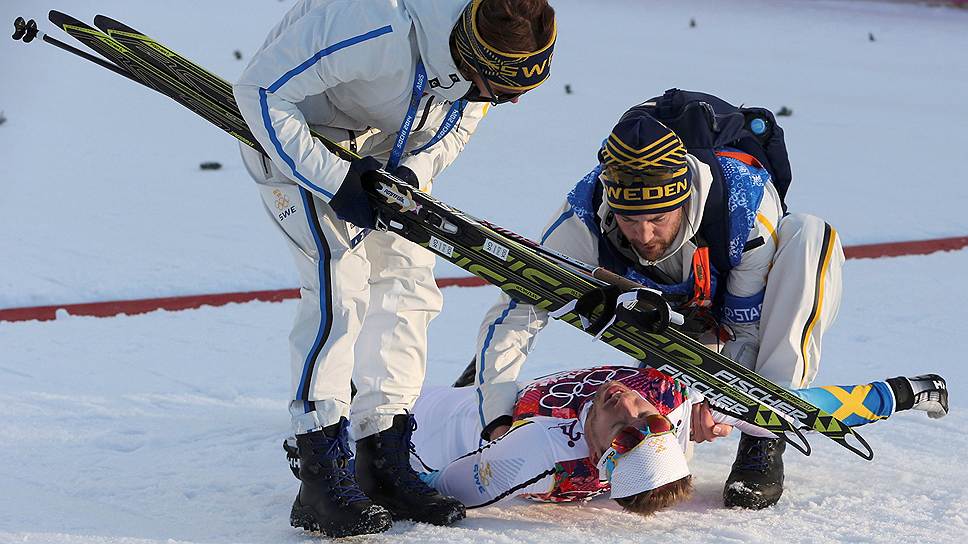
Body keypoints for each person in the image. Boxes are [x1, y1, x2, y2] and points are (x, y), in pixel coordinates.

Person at [232, 0, 556, 537]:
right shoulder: (373, 25)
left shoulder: (481, 65)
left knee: (409, 286)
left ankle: (382, 457)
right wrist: (336, 178)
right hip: (296, 143)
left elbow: (459, 118)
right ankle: (320, 473)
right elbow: (260, 92)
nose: (510, 102)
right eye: (498, 88)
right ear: (467, 53)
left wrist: (409, 171)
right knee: (339, 290)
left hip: (381, 156)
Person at [470, 101, 845, 510]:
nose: (644, 234)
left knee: (811, 235)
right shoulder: (582, 217)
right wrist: (497, 413)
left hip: (725, 295)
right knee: (664, 462)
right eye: (630, 219)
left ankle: (763, 436)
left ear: (684, 199)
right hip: (653, 309)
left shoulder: (747, 205)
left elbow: (745, 329)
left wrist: (719, 400)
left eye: (657, 218)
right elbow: (518, 311)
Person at [414, 365, 948, 514]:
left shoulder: (538, 455)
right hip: (469, 394)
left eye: (627, 431)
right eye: (651, 421)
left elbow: (435, 487)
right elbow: (804, 409)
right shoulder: (666, 400)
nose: (628, 403)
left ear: (599, 460)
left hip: (424, 424)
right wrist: (907, 392)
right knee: (764, 409)